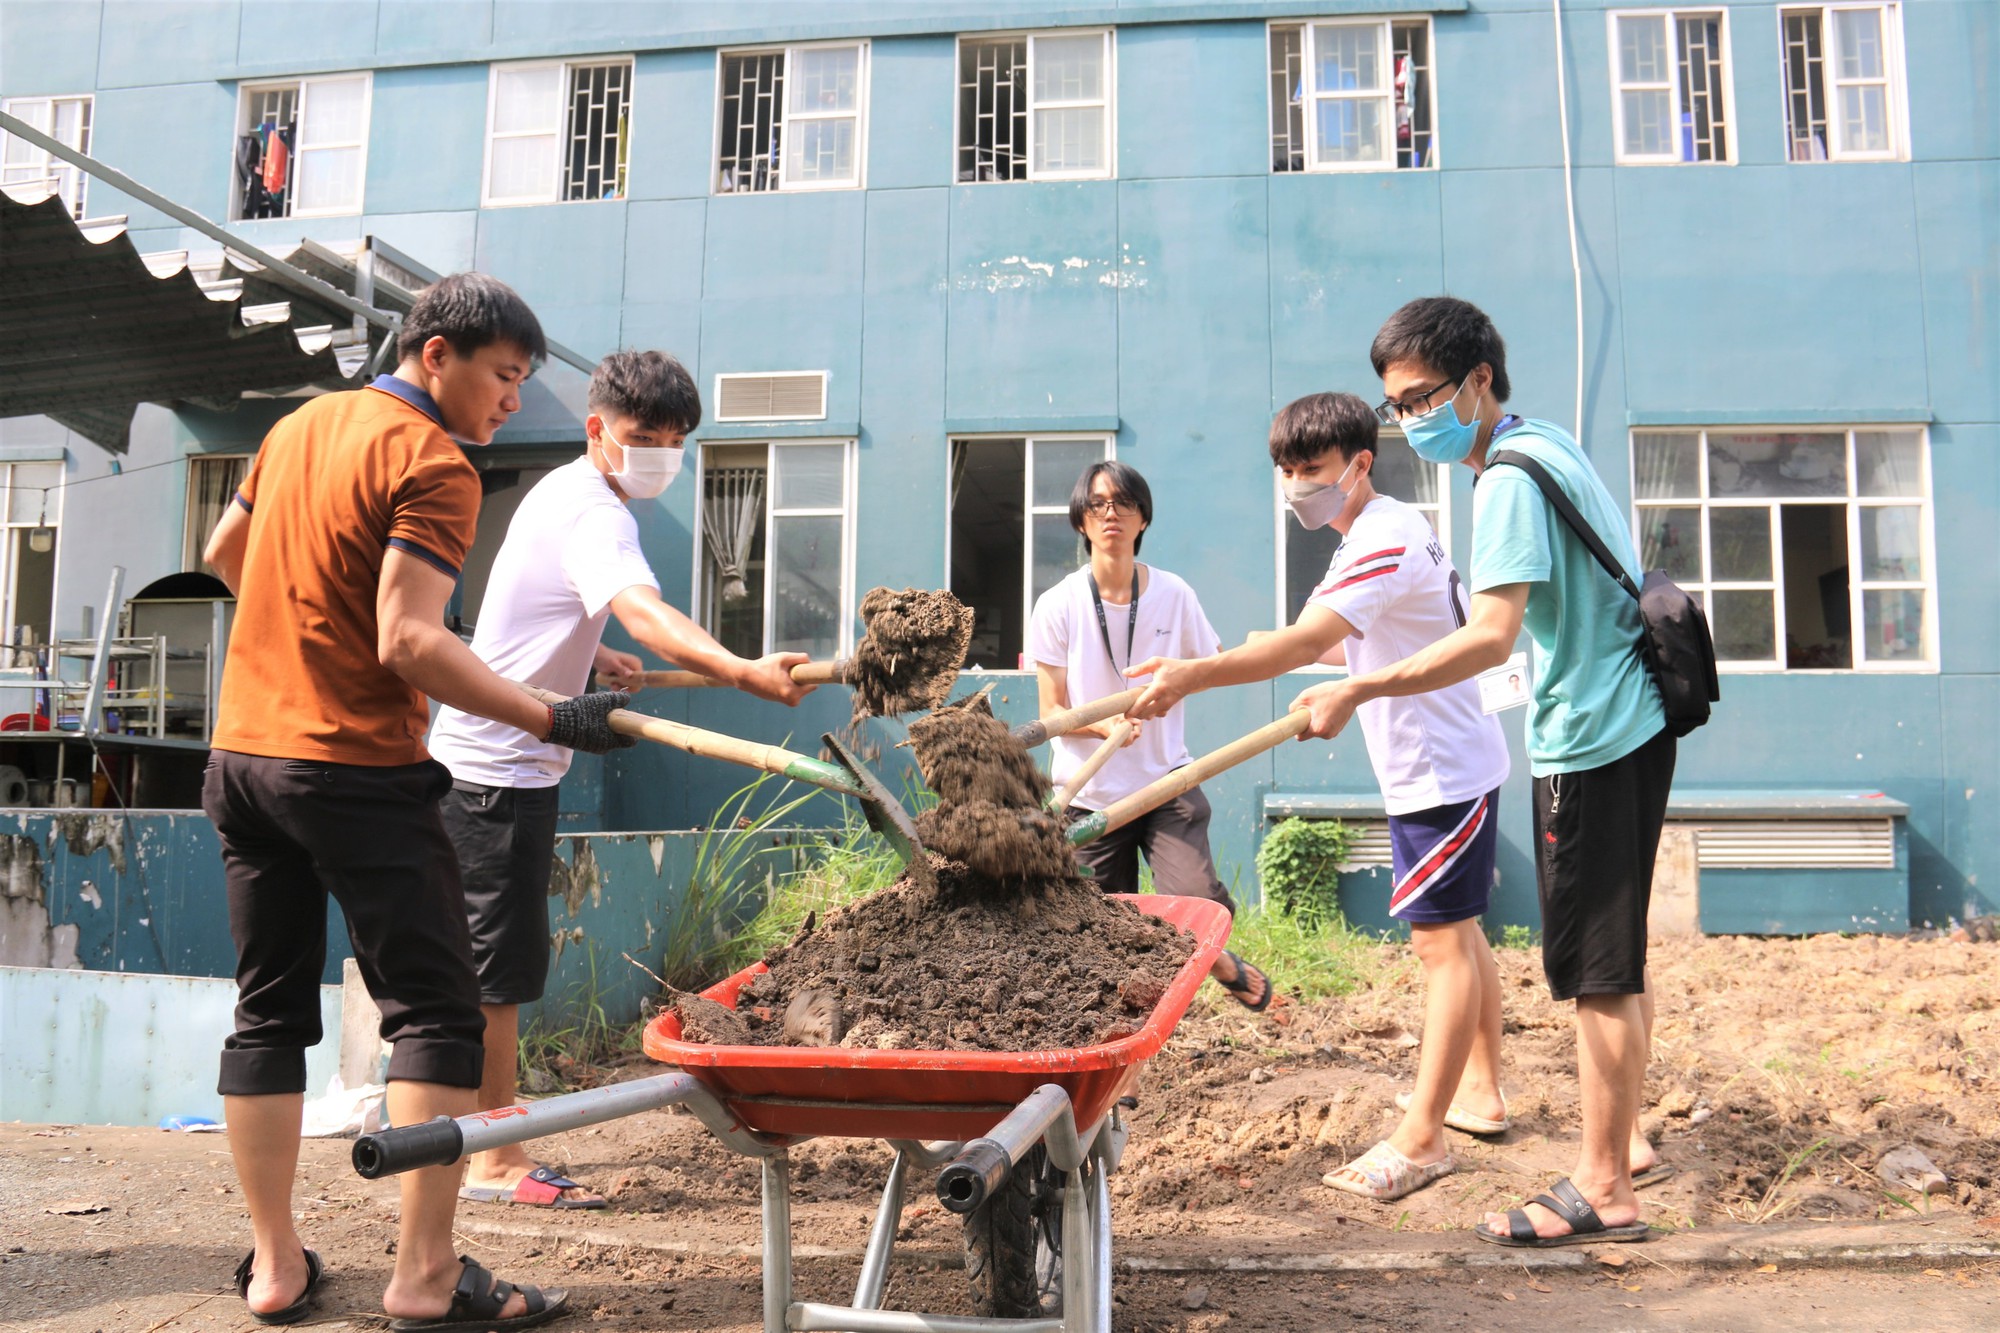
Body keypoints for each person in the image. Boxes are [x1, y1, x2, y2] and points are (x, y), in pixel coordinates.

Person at [202, 272, 618, 1330]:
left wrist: (302, 630)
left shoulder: (298, 428)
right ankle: (426, 1276)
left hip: (244, 757)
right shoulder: (433, 460)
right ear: (436, 354)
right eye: (504, 377)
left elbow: (225, 555)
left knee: (266, 1010)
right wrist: (547, 714)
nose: (512, 403)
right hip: (353, 766)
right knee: (436, 1011)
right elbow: (408, 640)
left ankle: (276, 1264)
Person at [1288, 297, 1675, 1246]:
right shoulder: (1549, 444)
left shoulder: (1503, 479)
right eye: (1399, 405)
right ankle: (1621, 1145)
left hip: (1591, 734)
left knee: (1596, 972)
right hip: (1635, 717)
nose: (1415, 419)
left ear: (1480, 383)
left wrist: (1360, 686)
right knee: (1613, 961)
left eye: (1425, 398)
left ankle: (1603, 1184)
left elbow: (1489, 635)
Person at [427, 349, 814, 1210]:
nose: (660, 456)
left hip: (492, 765)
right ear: (598, 429)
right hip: (496, 772)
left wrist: (592, 649)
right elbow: (648, 610)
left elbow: (540, 606)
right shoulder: (598, 513)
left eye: (676, 440)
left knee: (492, 970)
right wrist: (743, 670)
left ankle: (481, 1143)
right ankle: (492, 1160)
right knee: (499, 978)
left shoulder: (567, 492)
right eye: (644, 437)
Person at [1125, 392, 1512, 1200]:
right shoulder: (1385, 527)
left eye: (1313, 471)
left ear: (1360, 464)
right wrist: (1261, 663)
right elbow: (1332, 639)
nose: (1298, 486)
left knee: (1440, 947)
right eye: (1287, 471)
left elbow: (1307, 639)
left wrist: (1195, 673)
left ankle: (1424, 1138)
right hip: (1448, 756)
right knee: (1463, 935)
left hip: (1438, 766)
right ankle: (1480, 1091)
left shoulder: (1378, 537)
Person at [1027, 460, 1273, 1010]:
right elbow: (1052, 709)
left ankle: (1219, 958)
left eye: (1124, 503)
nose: (1111, 513)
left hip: (1166, 784)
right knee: (1094, 943)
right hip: (1087, 798)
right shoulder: (1057, 603)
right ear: (1081, 521)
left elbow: (1208, 667)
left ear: (1143, 519)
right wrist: (1104, 723)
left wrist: (1179, 684)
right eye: (1098, 503)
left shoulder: (1174, 594)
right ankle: (1124, 1078)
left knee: (1197, 902)